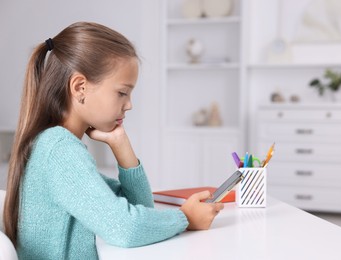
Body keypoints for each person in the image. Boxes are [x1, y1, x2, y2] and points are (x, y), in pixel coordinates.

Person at [3, 21, 224, 259]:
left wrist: (122, 146)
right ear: (79, 87)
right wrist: (185, 218)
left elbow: (140, 210)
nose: (129, 104)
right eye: (122, 93)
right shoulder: (60, 150)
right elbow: (125, 229)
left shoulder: (57, 145)